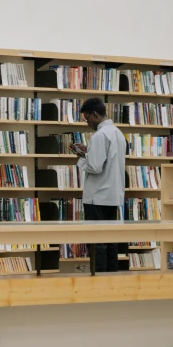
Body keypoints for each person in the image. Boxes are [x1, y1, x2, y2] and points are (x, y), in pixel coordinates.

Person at [69, 97, 126, 272]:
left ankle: (99, 277)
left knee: (97, 241)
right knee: (110, 241)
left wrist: (80, 158)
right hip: (113, 195)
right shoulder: (117, 133)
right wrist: (90, 151)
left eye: (87, 119)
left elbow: (94, 167)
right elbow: (108, 160)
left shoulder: (99, 135)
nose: (87, 123)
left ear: (95, 115)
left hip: (97, 197)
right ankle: (111, 276)